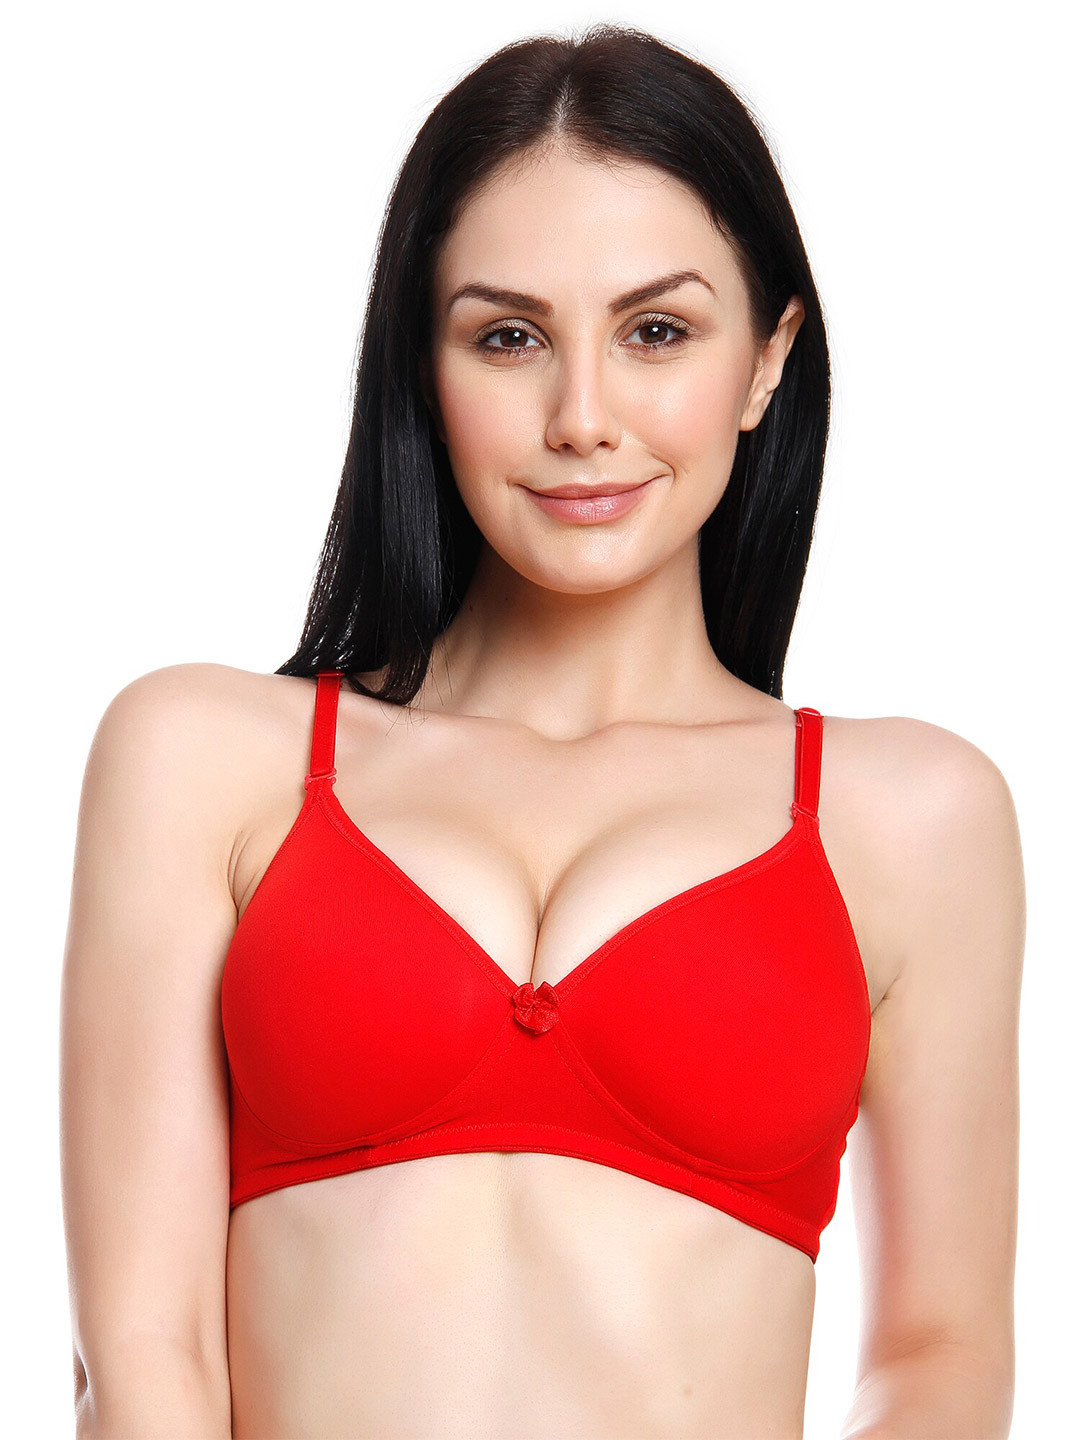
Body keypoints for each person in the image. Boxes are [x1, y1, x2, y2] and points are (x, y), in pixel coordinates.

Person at [59, 23, 1024, 1440]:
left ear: (768, 361)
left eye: (657, 333)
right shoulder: (202, 760)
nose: (582, 417)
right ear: (422, 361)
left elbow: (942, 1354)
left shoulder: (914, 814)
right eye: (508, 337)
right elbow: (143, 1356)